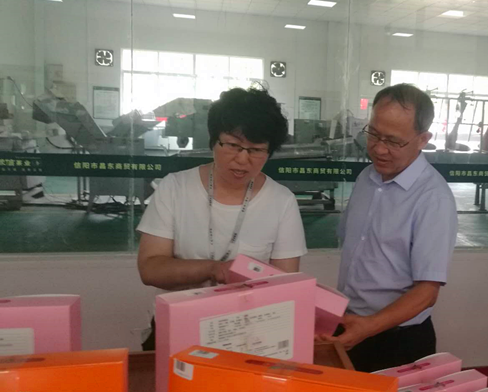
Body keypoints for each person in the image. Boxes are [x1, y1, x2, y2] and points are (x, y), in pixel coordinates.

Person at [136, 87, 307, 350]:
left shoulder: (281, 201)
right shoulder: (175, 188)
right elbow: (150, 269)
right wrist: (214, 269)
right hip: (178, 328)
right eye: (233, 145)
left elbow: (284, 285)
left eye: (256, 150)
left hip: (249, 337)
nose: (242, 159)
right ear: (213, 140)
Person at [320, 84, 458, 372]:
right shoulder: (366, 178)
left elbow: (427, 292)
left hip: (398, 340)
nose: (379, 149)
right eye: (373, 134)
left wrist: (368, 327)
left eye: (394, 141)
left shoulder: (433, 198)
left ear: (423, 140)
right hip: (350, 324)